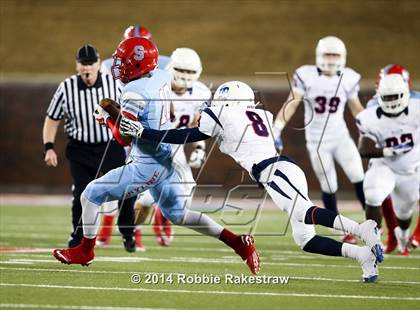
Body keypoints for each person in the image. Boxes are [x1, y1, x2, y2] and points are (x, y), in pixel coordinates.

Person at [124, 80, 384, 282]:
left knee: (304, 212)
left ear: (226, 100)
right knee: (305, 240)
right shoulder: (262, 117)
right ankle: (362, 255)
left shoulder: (223, 114)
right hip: (281, 169)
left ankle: (363, 229)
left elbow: (188, 134)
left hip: (274, 171)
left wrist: (146, 132)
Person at [53, 37, 260, 275]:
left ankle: (85, 251)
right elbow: (169, 110)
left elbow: (124, 138)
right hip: (166, 157)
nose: (119, 65)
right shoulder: (161, 75)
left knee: (90, 194)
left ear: (139, 65)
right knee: (179, 215)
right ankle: (238, 242)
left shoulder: (134, 92)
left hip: (146, 163)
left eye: (125, 61)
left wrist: (107, 120)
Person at [43, 44, 137, 250]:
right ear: (77, 66)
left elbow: (131, 109)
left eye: (90, 63)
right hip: (80, 148)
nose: (87, 68)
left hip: (109, 146)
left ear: (98, 63)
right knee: (82, 195)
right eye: (82, 64)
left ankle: (128, 233)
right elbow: (52, 118)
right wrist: (48, 146)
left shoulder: (113, 84)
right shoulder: (66, 87)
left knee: (127, 189)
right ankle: (77, 238)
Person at [272, 36, 365, 244]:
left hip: (340, 136)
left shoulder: (349, 77)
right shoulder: (306, 75)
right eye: (327, 54)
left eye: (335, 55)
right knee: (329, 184)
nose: (331, 59)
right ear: (319, 56)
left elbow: (356, 108)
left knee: (359, 175)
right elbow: (292, 103)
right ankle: (341, 230)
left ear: (343, 57)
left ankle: (372, 222)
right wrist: (276, 128)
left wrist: (373, 129)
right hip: (317, 141)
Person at [134, 47, 211, 248]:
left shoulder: (201, 93)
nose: (185, 77)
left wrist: (199, 148)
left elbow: (198, 124)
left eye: (190, 72)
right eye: (181, 70)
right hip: (150, 146)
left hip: (176, 149)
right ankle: (132, 230)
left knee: (185, 194)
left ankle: (162, 214)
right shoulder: (158, 88)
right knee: (143, 200)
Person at [357, 74, 420, 256]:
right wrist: (390, 151)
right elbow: (364, 149)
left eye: (395, 96)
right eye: (387, 97)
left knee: (404, 215)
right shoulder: (369, 117)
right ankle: (372, 242)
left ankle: (402, 236)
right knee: (373, 193)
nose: (391, 101)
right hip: (383, 165)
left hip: (410, 171)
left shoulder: (417, 109)